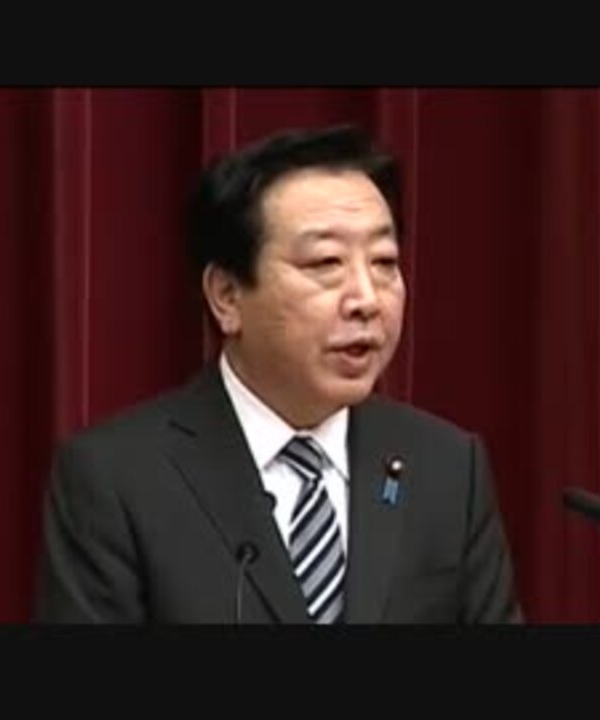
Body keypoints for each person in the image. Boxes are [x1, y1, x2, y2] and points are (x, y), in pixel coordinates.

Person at [34, 124, 523, 624]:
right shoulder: (117, 479)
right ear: (227, 296)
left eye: (384, 262)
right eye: (326, 263)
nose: (367, 299)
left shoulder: (446, 468)